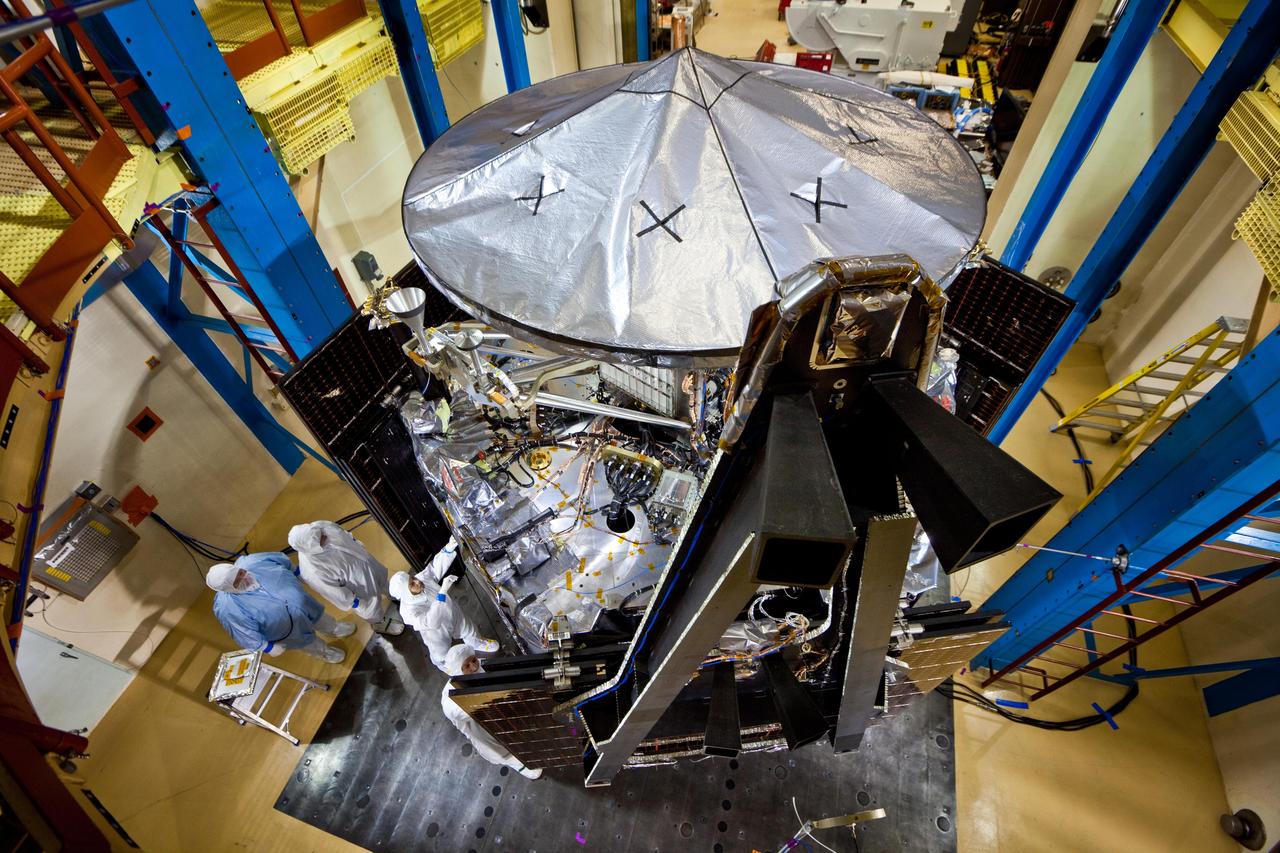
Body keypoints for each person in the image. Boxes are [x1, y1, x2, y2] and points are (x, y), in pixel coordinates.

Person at [207, 553, 354, 664]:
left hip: (305, 604)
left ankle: (334, 628)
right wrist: (267, 647)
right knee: (308, 643)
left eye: (241, 572)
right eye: (237, 581)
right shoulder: (227, 608)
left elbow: (279, 558)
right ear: (228, 588)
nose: (244, 577)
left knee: (321, 618)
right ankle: (325, 653)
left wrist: (297, 572)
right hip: (287, 631)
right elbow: (243, 632)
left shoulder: (253, 562)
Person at [388, 537, 499, 671]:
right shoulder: (407, 612)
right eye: (412, 584)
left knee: (468, 628)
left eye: (413, 578)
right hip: (436, 631)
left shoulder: (421, 579)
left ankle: (476, 642)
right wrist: (442, 593)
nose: (417, 582)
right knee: (440, 653)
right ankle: (445, 666)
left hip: (451, 612)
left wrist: (448, 548)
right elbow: (431, 622)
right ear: (405, 593)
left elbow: (435, 568)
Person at [441, 643, 541, 779]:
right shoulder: (451, 702)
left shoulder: (479, 666)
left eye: (473, 660)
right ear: (458, 670)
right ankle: (520, 765)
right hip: (482, 730)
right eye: (467, 666)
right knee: (502, 751)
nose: (474, 666)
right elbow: (476, 705)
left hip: (499, 713)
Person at [288, 521, 403, 635]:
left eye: (321, 532)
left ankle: (393, 594)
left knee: (383, 581)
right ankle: (379, 623)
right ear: (312, 547)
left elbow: (342, 532)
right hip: (360, 588)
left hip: (367, 563)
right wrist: (355, 602)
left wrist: (356, 543)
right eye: (321, 538)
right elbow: (333, 592)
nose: (325, 535)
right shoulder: (312, 570)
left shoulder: (321, 526)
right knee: (371, 609)